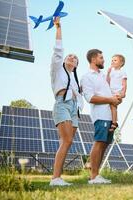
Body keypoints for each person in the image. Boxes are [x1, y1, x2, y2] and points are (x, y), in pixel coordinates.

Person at [49, 17, 83, 186]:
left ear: (76, 65)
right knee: (67, 140)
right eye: (69, 56)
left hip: (74, 109)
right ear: (63, 60)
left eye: (75, 58)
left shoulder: (75, 79)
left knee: (66, 142)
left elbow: (80, 94)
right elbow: (58, 50)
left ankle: (58, 177)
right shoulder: (57, 69)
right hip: (62, 104)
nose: (71, 57)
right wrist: (58, 28)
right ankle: (55, 178)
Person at [81, 49, 122, 184]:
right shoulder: (87, 77)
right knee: (99, 143)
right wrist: (110, 100)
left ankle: (96, 175)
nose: (104, 60)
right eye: (101, 58)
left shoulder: (103, 76)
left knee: (104, 145)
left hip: (110, 115)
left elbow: (110, 93)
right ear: (93, 60)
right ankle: (93, 176)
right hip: (100, 115)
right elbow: (90, 98)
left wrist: (116, 98)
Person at [106, 54, 127, 132]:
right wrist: (108, 73)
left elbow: (124, 84)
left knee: (113, 105)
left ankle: (114, 123)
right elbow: (107, 82)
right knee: (111, 107)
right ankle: (113, 121)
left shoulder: (122, 72)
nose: (112, 61)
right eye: (112, 60)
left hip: (118, 92)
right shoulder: (110, 72)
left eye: (115, 60)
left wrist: (123, 93)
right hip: (110, 93)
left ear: (121, 63)